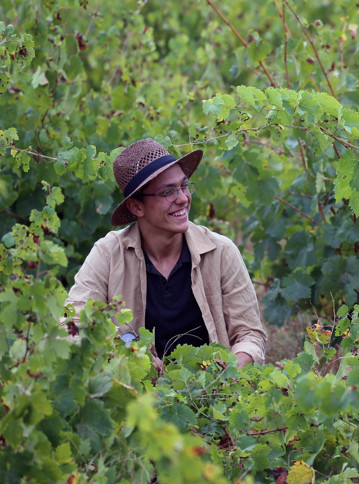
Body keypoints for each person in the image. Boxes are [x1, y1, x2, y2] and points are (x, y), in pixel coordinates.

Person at [66, 138, 267, 368]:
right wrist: (129, 355)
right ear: (136, 207)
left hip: (215, 393)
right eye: (168, 192)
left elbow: (251, 335)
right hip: (137, 396)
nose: (182, 198)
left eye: (184, 186)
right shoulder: (108, 254)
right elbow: (72, 324)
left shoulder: (220, 252)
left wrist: (227, 372)